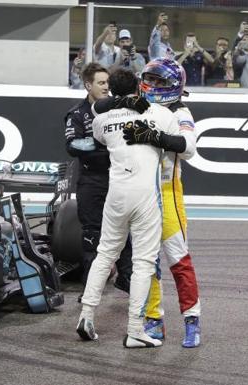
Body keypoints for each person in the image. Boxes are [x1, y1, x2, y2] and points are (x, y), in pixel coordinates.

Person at [93, 58, 202, 348]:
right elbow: (98, 108)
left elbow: (189, 147)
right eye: (150, 79)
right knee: (147, 263)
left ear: (175, 86)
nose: (153, 86)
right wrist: (120, 103)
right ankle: (153, 319)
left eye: (161, 82)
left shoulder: (180, 110)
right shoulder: (138, 102)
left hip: (167, 192)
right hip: (141, 192)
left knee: (178, 259)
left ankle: (192, 320)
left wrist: (157, 137)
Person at [76, 68, 180, 348]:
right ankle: (135, 329)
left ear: (112, 88)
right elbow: (184, 147)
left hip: (116, 193)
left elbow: (99, 126)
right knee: (144, 261)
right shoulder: (160, 114)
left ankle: (86, 315)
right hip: (145, 195)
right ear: (139, 86)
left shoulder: (103, 118)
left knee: (104, 254)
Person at [64, 63, 133, 302]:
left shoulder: (117, 110)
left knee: (125, 232)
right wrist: (104, 144)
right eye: (101, 83)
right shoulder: (77, 114)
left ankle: (127, 279)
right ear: (88, 85)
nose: (106, 87)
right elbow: (73, 146)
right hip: (92, 182)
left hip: (119, 179)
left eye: (108, 83)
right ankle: (91, 288)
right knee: (92, 236)